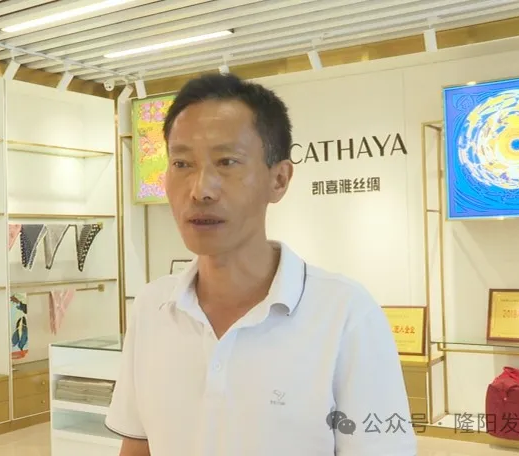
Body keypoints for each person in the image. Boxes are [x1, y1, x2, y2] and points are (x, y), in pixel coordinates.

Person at [105, 73, 417, 456]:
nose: (200, 189)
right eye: (182, 163)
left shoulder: (345, 314)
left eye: (227, 162)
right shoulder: (152, 308)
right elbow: (138, 445)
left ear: (279, 179)